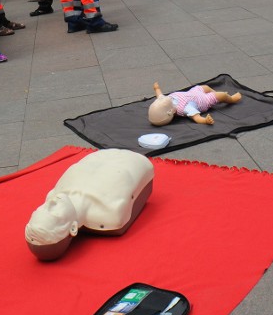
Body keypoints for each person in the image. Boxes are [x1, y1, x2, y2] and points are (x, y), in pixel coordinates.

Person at [24, 149, 154, 261]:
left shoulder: (53, 195)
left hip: (101, 155)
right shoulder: (110, 212)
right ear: (73, 229)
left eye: (41, 208)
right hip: (135, 161)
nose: (52, 202)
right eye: (53, 212)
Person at [148, 81, 242, 126]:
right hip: (203, 100)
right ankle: (231, 99)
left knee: (205, 87)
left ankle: (214, 93)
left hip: (193, 93)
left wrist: (157, 89)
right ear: (171, 111)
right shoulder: (184, 108)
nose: (163, 98)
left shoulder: (165, 101)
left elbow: (159, 96)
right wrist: (205, 120)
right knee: (222, 95)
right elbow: (196, 118)